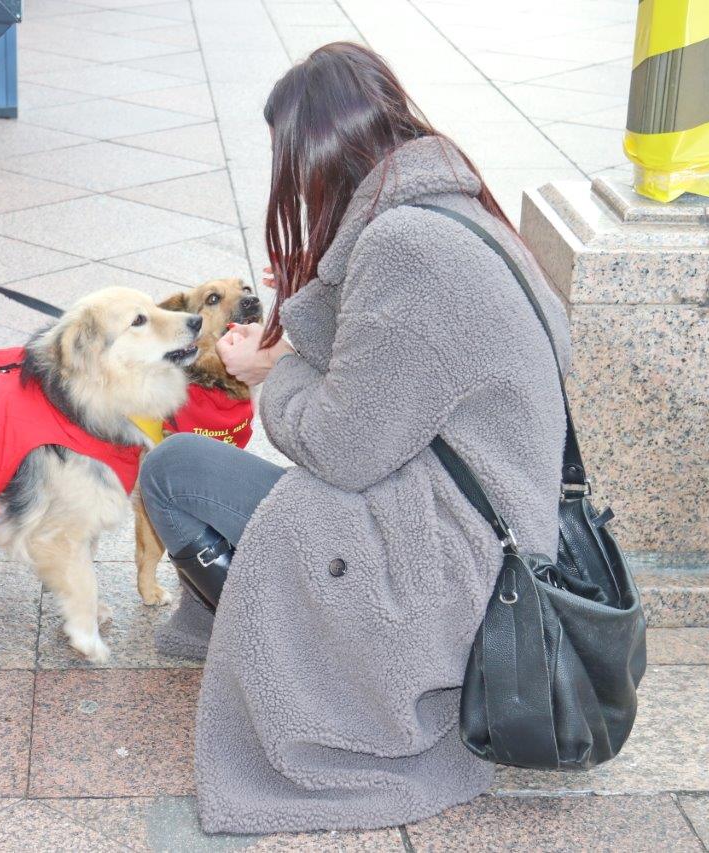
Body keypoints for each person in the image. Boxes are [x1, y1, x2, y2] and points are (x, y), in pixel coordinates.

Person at [137, 43, 571, 832]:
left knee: (178, 477)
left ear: (318, 155)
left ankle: (296, 655)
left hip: (447, 574)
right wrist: (311, 313)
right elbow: (409, 377)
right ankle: (275, 631)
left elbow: (343, 446)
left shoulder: (407, 245)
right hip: (485, 534)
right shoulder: (459, 213)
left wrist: (278, 369)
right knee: (178, 469)